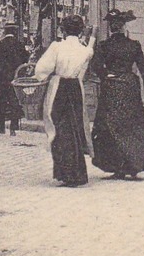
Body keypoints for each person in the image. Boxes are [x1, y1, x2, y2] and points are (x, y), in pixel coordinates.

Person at [91, 9, 144, 180]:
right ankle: (134, 165)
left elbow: (96, 66)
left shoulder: (104, 46)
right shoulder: (134, 45)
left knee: (111, 126)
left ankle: (116, 166)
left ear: (111, 28)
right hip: (129, 87)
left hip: (111, 87)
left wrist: (106, 75)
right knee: (132, 126)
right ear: (124, 27)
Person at [34, 15, 97, 187]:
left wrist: (41, 77)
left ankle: (64, 172)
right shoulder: (86, 50)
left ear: (63, 30)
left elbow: (41, 69)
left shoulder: (57, 47)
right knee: (75, 127)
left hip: (59, 87)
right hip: (75, 88)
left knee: (59, 128)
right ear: (80, 31)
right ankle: (77, 171)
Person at [0, 24, 29, 135]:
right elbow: (25, 60)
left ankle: (1, 127)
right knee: (14, 102)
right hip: (15, 79)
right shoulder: (19, 45)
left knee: (2, 102)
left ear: (5, 32)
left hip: (1, 79)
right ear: (15, 32)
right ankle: (13, 128)